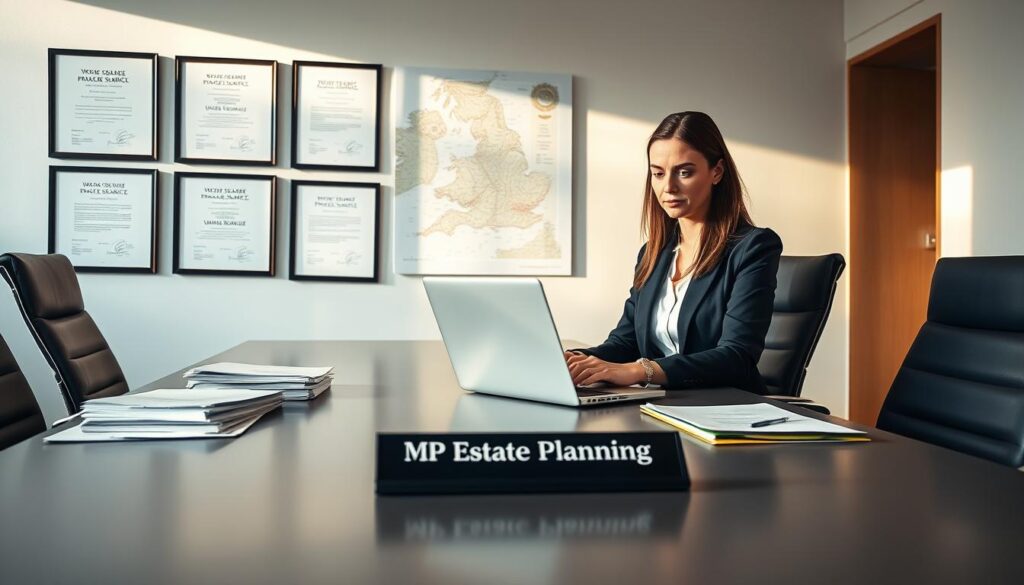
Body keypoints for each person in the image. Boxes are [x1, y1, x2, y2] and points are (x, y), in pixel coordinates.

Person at [565, 111, 781, 394]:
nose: (668, 187)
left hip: (724, 407)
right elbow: (625, 342)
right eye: (658, 173)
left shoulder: (753, 248)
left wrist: (640, 370)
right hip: (659, 404)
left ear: (716, 172)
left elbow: (736, 356)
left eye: (685, 172)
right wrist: (574, 360)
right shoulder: (653, 254)